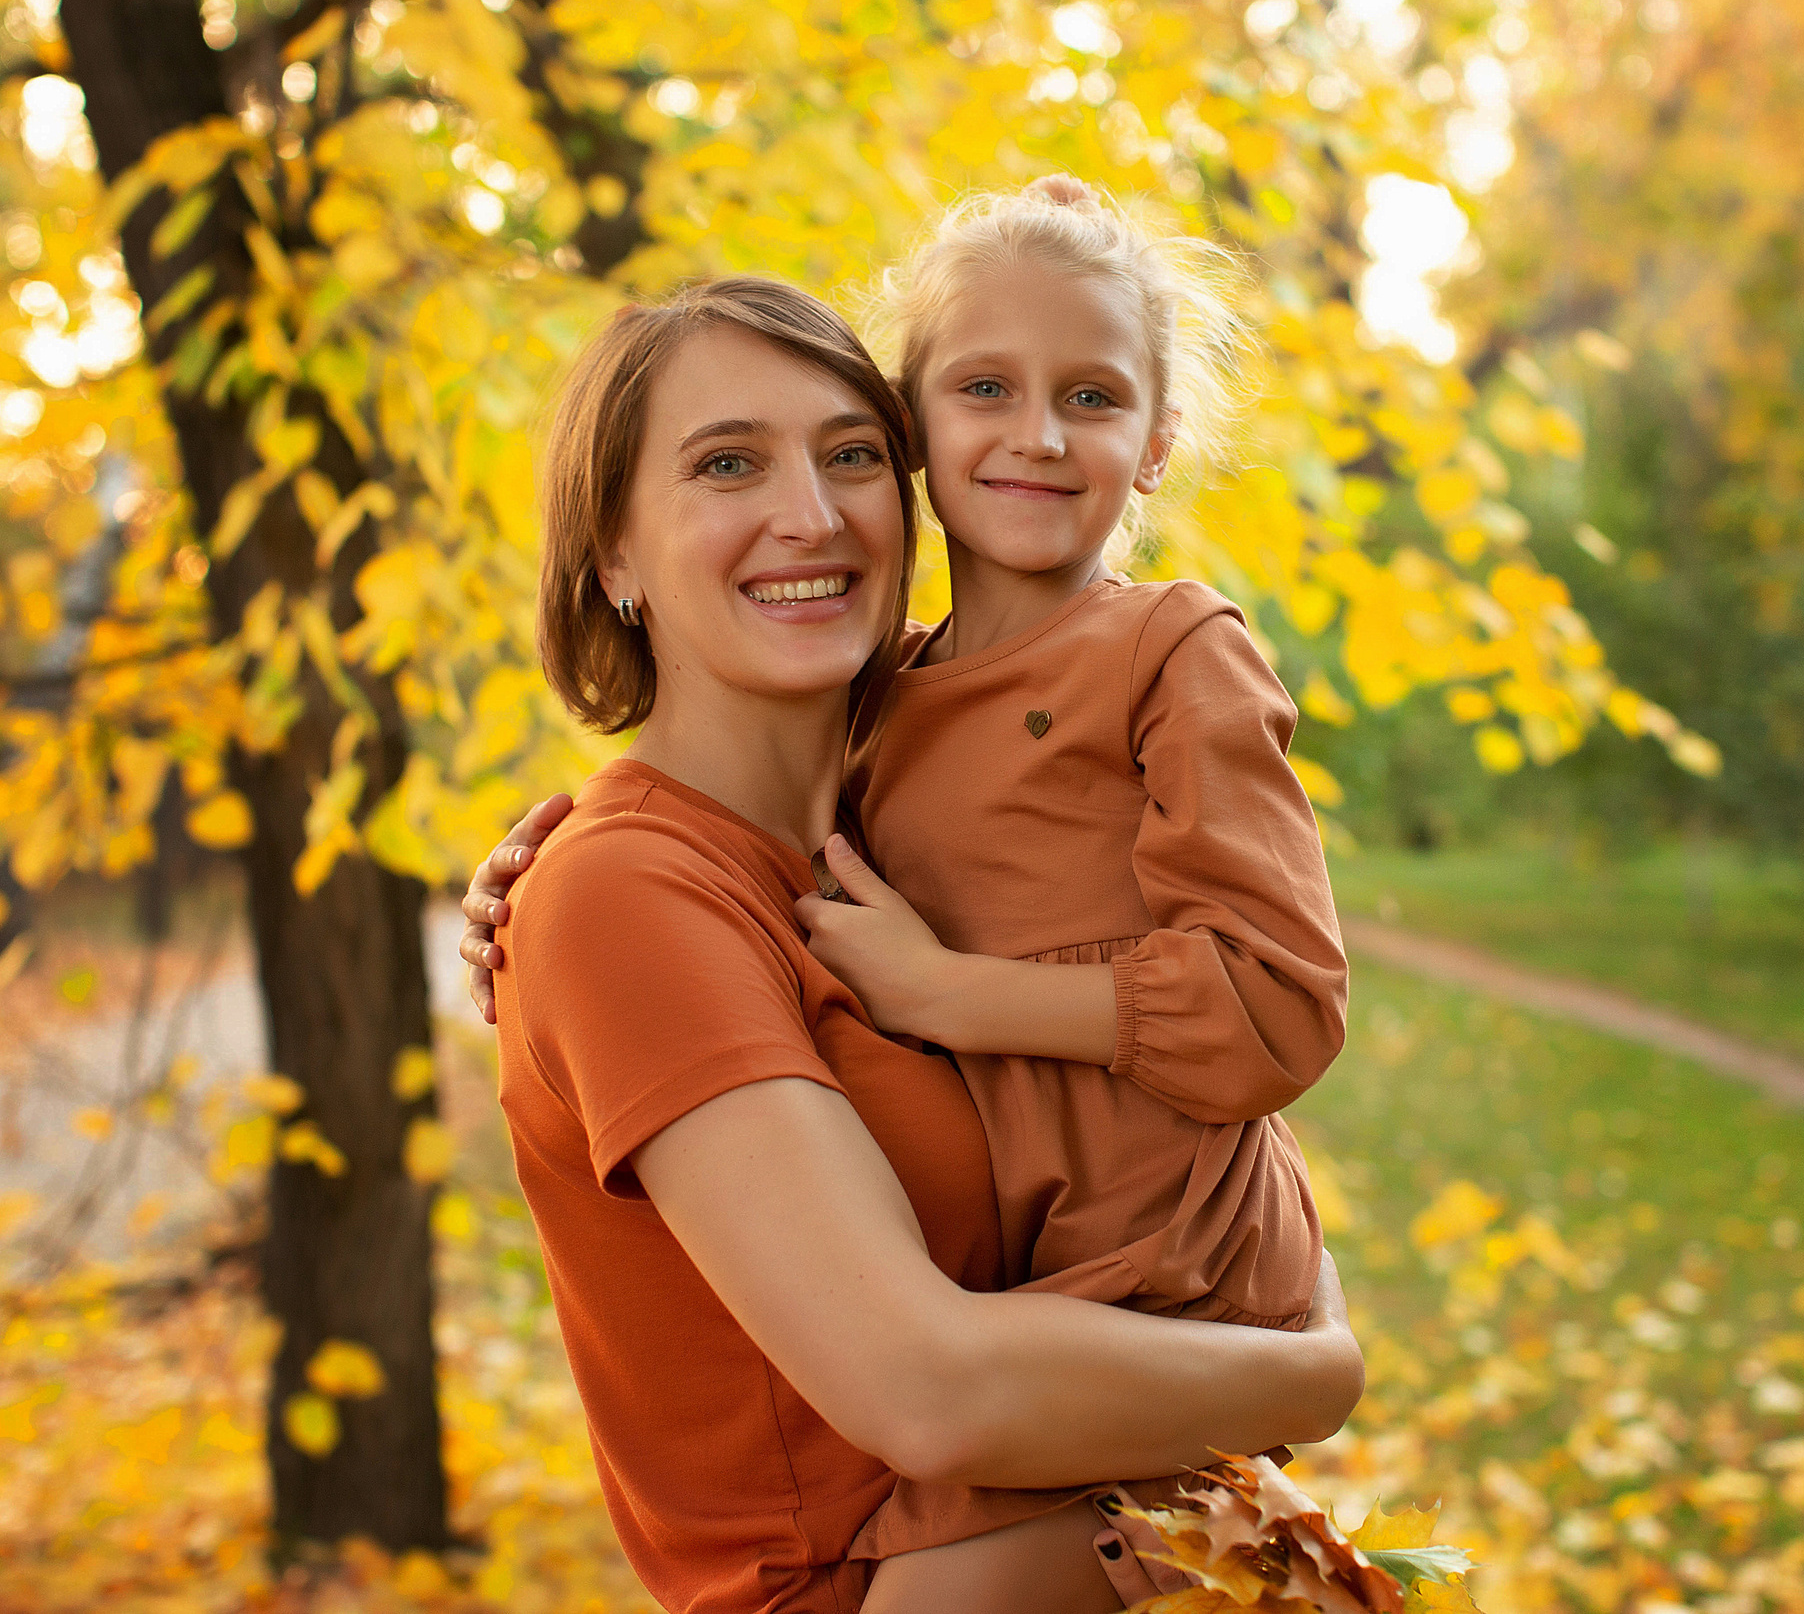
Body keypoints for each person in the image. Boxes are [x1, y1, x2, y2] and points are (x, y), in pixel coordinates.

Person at [469, 183, 1352, 1608]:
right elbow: (929, 1393)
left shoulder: (886, 810)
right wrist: (1309, 1376)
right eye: (726, 467)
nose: (809, 514)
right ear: (614, 553)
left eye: (849, 454)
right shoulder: (624, 892)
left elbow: (1219, 1030)